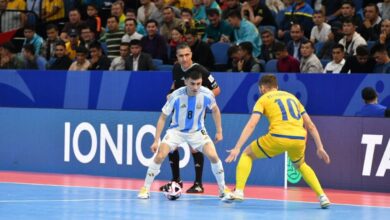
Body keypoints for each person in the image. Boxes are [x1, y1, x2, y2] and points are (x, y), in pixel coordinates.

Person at [222, 74, 331, 209]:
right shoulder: (293, 98)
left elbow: (252, 124)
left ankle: (238, 191)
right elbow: (310, 125)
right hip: (299, 138)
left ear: (262, 88)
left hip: (278, 136)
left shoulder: (263, 99)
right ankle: (322, 196)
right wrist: (320, 147)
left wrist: (237, 147)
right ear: (277, 87)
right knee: (301, 165)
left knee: (247, 154)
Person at [137, 69, 231, 199]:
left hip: (197, 131)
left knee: (214, 156)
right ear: (186, 82)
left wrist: (219, 131)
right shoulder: (176, 95)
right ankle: (145, 189)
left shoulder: (207, 94)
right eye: (192, 83)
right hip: (176, 131)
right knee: (160, 155)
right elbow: (163, 117)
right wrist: (156, 140)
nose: (196, 87)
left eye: (198, 83)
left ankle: (223, 190)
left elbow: (215, 110)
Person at [159, 42, 221, 194]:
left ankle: (198, 184)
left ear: (191, 54)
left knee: (195, 147)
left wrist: (199, 99)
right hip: (179, 110)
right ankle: (176, 181)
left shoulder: (201, 70)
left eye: (187, 55)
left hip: (196, 111)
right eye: (181, 56)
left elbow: (217, 90)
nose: (184, 59)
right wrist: (170, 93)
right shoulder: (176, 68)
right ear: (177, 57)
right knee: (172, 144)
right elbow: (176, 84)